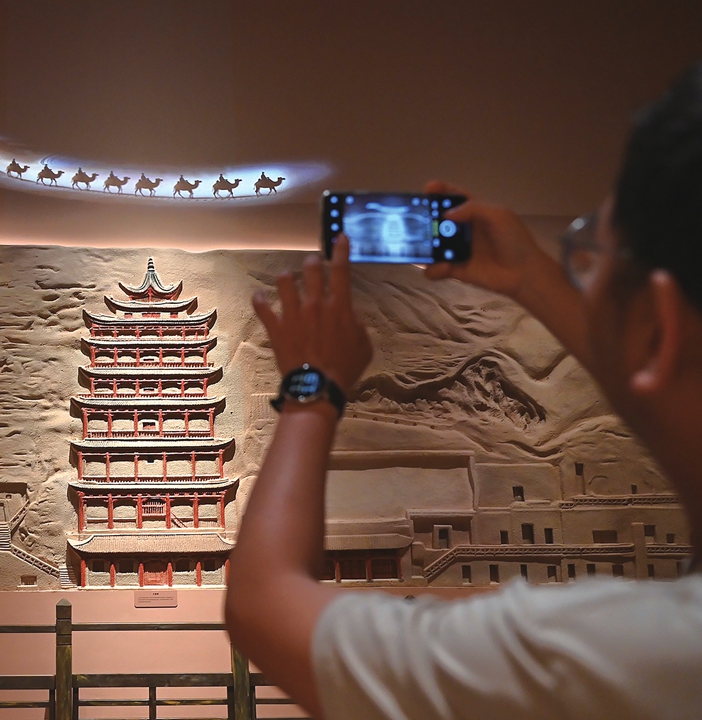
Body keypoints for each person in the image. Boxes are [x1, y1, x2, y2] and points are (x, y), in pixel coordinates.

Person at [225, 62, 702, 720]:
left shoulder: (610, 653)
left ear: (660, 325)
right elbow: (653, 365)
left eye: (592, 258)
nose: (583, 275)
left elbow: (260, 603)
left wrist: (313, 384)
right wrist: (536, 277)